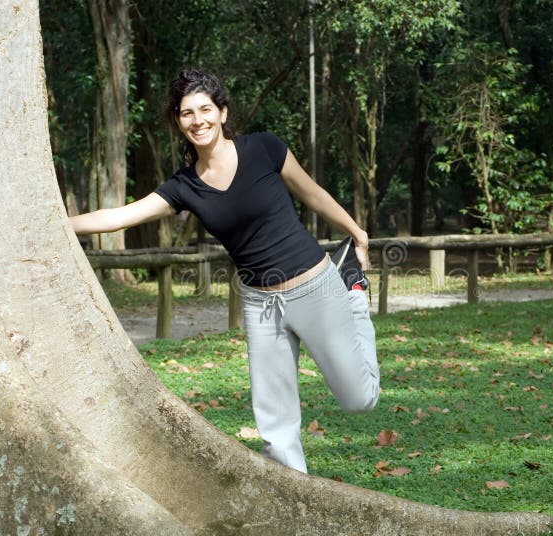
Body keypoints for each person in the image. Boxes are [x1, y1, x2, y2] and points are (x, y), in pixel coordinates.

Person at [70, 68, 380, 473]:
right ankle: (293, 504)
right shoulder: (184, 186)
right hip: (259, 303)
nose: (197, 120)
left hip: (315, 287)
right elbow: (121, 215)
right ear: (178, 122)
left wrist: (356, 231)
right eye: (186, 113)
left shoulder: (263, 149)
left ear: (222, 111)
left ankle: (354, 292)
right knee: (275, 426)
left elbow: (311, 192)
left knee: (359, 399)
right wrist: (58, 223)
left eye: (205, 109)